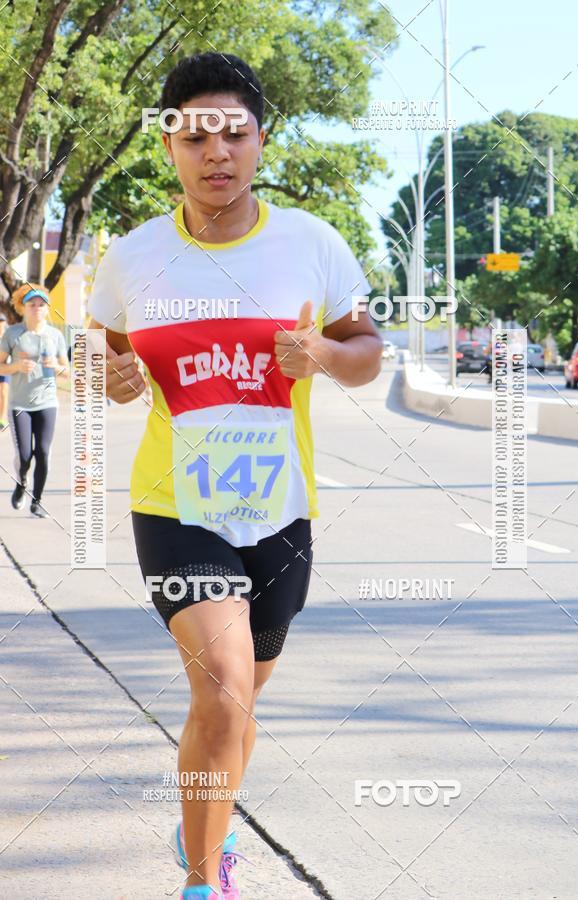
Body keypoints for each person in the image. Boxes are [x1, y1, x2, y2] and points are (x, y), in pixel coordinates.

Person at [88, 52, 382, 900]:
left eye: (235, 134)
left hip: (282, 511)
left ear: (261, 141)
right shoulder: (135, 257)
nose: (217, 153)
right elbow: (105, 349)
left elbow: (366, 353)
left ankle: (208, 842)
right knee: (221, 688)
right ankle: (201, 882)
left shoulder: (311, 244)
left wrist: (323, 352)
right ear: (170, 148)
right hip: (177, 504)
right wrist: (110, 376)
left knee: (239, 703)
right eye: (195, 136)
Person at [0, 284, 69, 517]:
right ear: (23, 308)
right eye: (32, 304)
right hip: (19, 404)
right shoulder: (13, 334)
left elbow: (67, 371)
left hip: (47, 402)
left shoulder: (55, 336)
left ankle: (36, 502)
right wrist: (16, 366)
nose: (37, 308)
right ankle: (21, 482)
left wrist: (57, 367)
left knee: (43, 451)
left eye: (42, 304)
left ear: (47, 309)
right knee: (25, 455)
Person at [0, 313, 10, 430]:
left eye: (2, 321)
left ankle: (1, 419)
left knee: (3, 392)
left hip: (6, 368)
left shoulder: (8, 337)